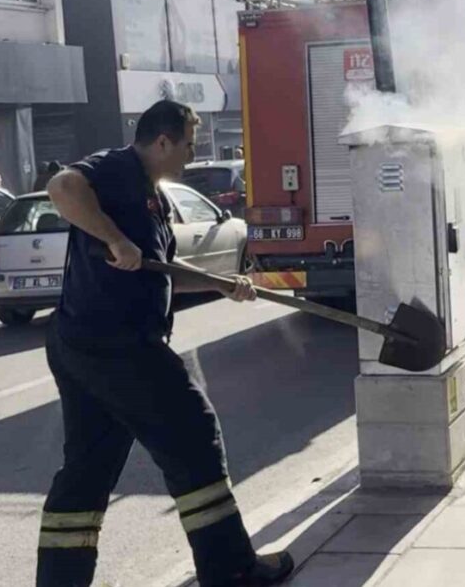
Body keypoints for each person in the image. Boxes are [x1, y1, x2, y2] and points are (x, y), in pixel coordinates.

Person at [40, 100, 294, 587]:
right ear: (162, 142)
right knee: (194, 434)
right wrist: (115, 240)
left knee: (87, 470)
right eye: (187, 146)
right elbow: (61, 187)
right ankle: (232, 571)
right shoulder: (117, 169)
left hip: (84, 343)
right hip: (116, 345)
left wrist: (222, 284)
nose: (189, 158)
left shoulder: (153, 198)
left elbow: (160, 276)